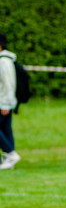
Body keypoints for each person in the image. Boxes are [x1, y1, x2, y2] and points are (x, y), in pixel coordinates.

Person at [0, 32, 21, 170]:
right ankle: (9, 160)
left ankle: (11, 154)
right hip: (4, 101)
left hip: (3, 102)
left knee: (5, 129)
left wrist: (6, 103)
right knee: (6, 129)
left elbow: (8, 83)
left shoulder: (4, 61)